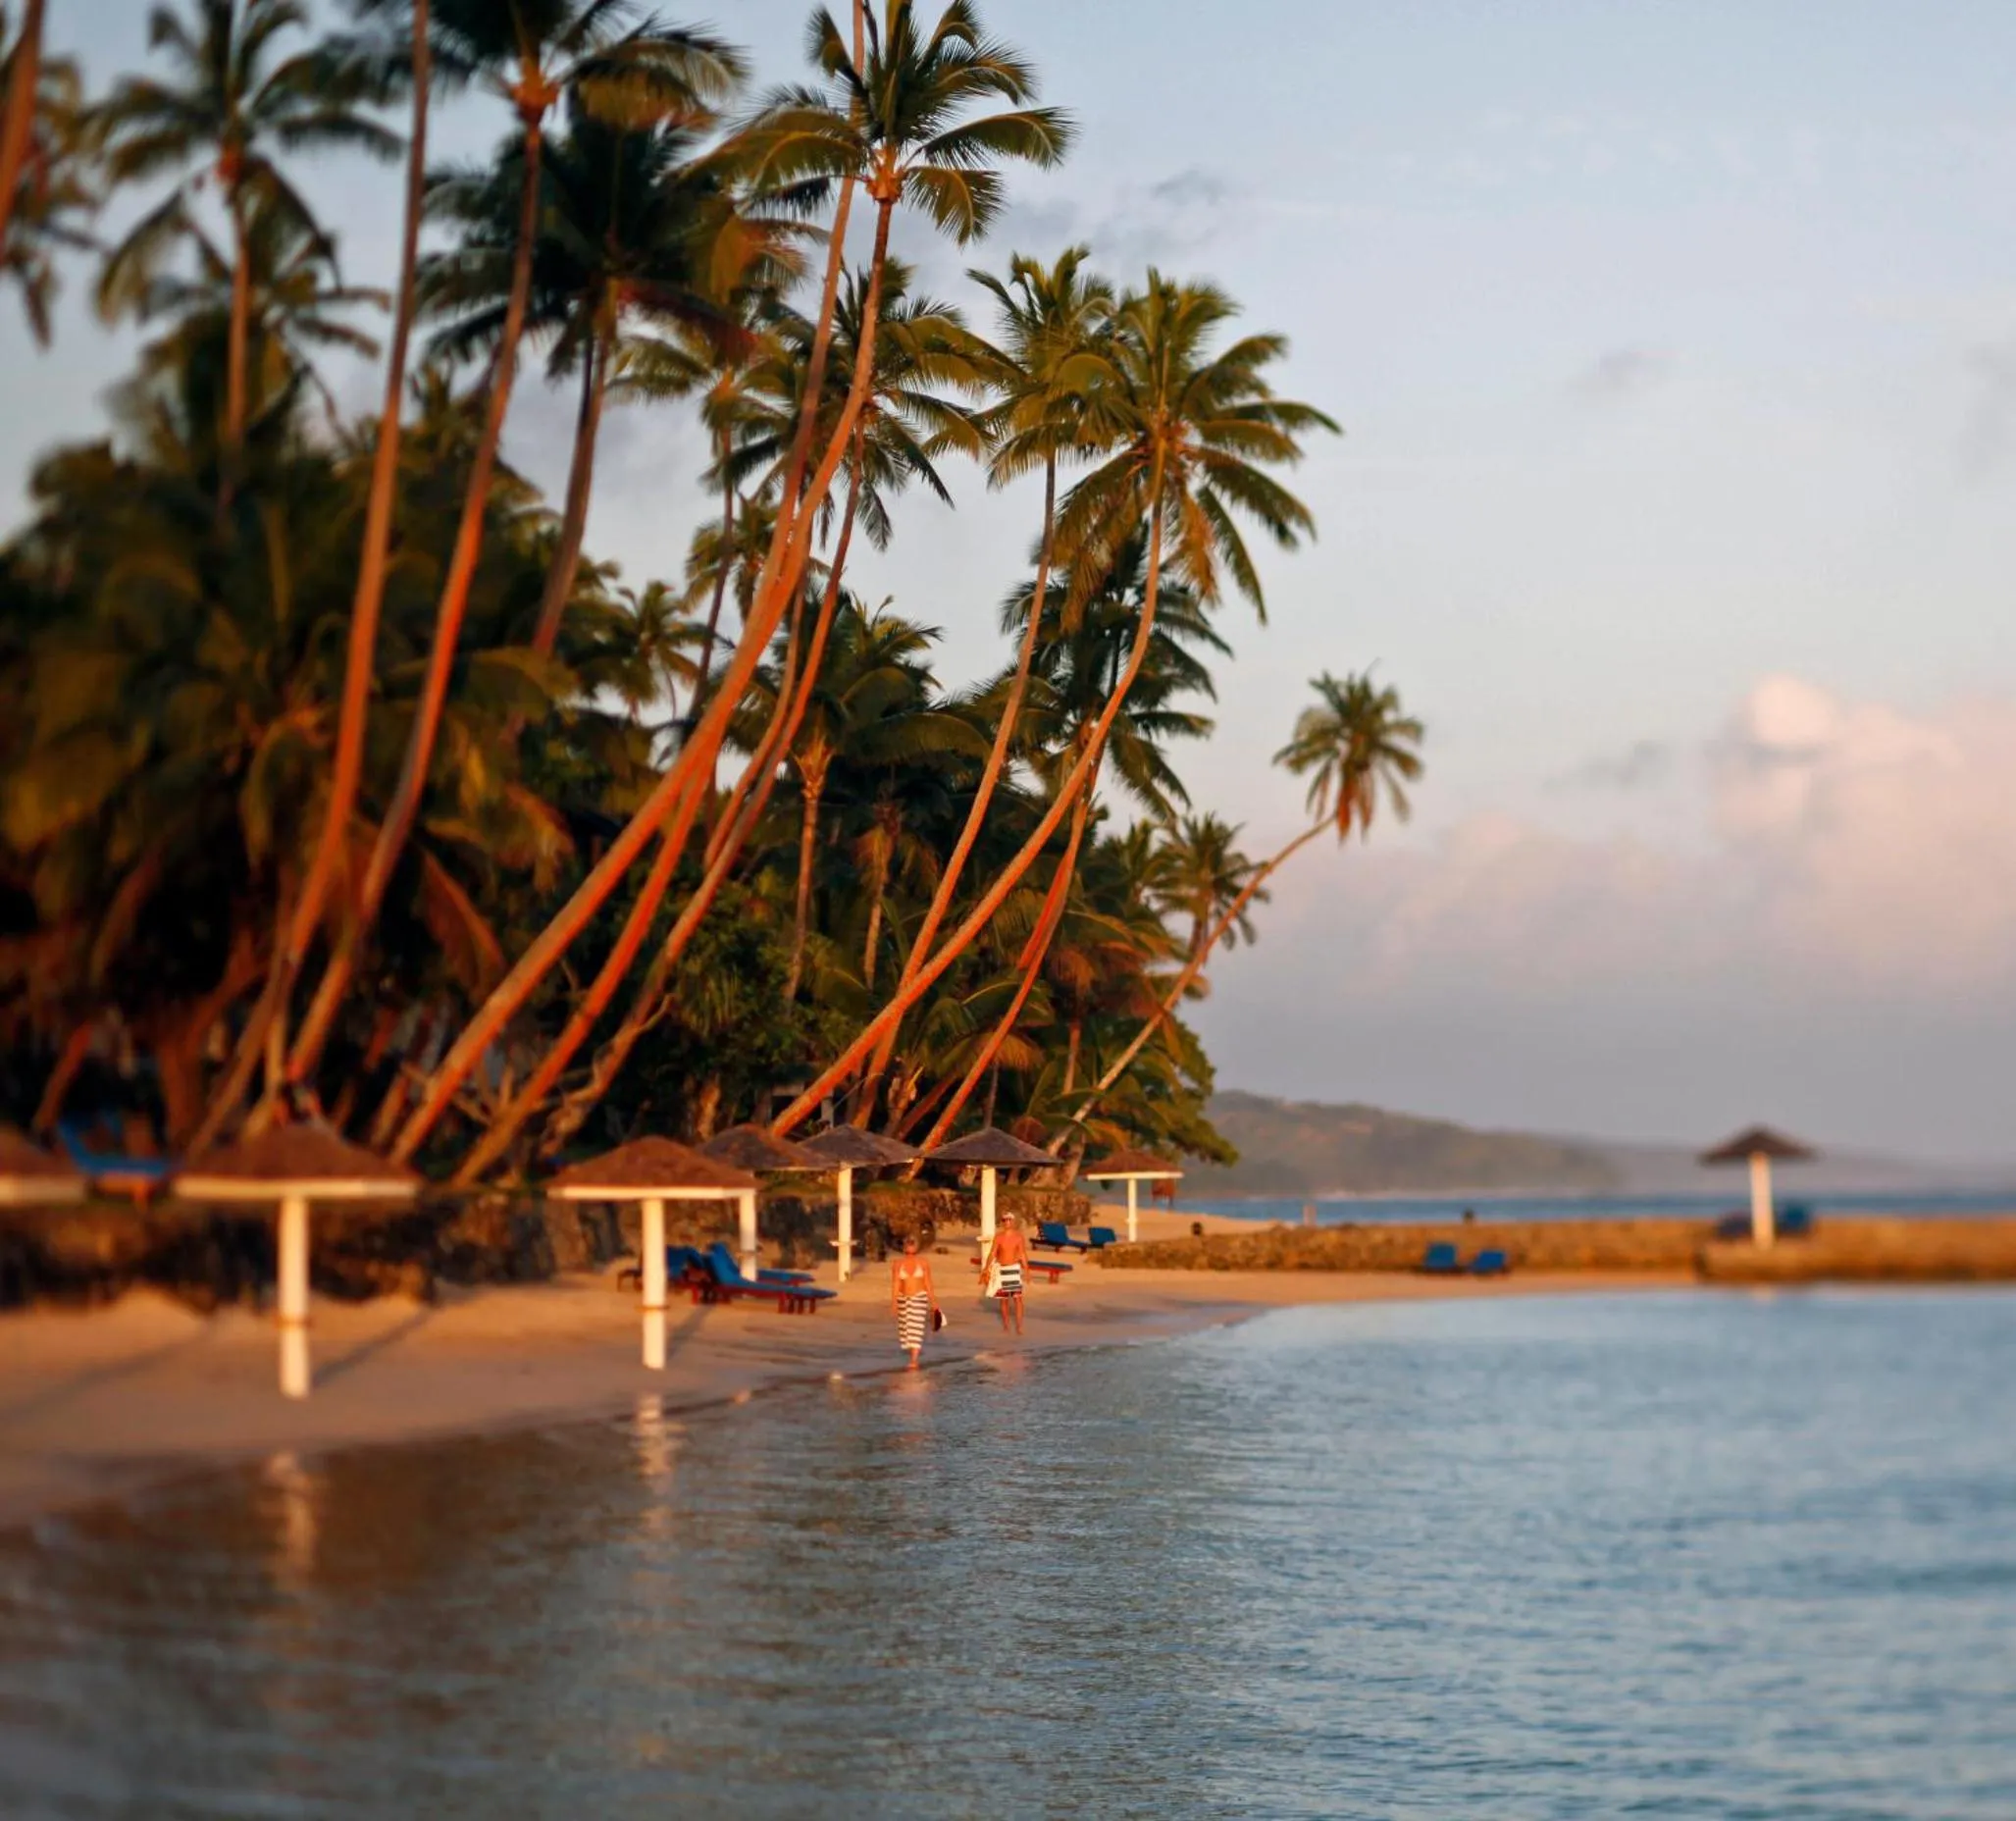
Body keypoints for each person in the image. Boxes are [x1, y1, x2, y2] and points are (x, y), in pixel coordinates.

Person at [890, 1233, 937, 1370]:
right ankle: (913, 1355)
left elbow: (928, 1282)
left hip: (919, 1297)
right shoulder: (898, 1263)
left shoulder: (923, 1262)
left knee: (915, 1327)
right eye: (908, 1242)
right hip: (903, 1298)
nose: (910, 1245)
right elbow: (896, 1283)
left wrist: (933, 1301)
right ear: (904, 1246)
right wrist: (894, 1302)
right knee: (906, 1329)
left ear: (916, 1246)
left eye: (913, 1242)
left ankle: (914, 1359)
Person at [981, 1212, 1029, 1336]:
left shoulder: (1018, 1237)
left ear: (1013, 1222)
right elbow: (993, 1253)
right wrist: (986, 1268)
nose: (1007, 1222)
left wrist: (1027, 1270)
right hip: (1001, 1268)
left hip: (1013, 1268)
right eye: (1004, 1220)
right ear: (1002, 1222)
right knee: (1003, 1300)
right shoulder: (999, 1236)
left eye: (1009, 1220)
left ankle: (1019, 1327)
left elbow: (1022, 1254)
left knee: (1018, 1299)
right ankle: (1007, 1326)